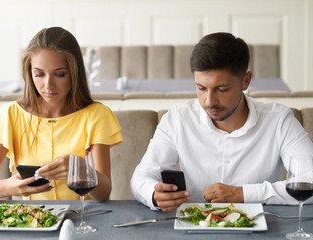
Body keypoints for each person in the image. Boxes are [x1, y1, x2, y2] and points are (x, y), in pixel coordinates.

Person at [130, 32, 313, 212]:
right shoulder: (178, 118)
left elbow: (310, 181)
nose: (209, 101)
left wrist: (243, 194)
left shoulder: (279, 121)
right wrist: (153, 194)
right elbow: (142, 176)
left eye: (222, 89)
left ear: (245, 81)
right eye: (201, 88)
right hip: (193, 228)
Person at [0, 27, 122, 201]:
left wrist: (81, 169)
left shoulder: (96, 115)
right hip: (34, 222)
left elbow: (103, 194)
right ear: (29, 73)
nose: (48, 85)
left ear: (74, 72)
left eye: (60, 74)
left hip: (83, 220)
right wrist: (7, 187)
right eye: (39, 74)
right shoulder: (10, 115)